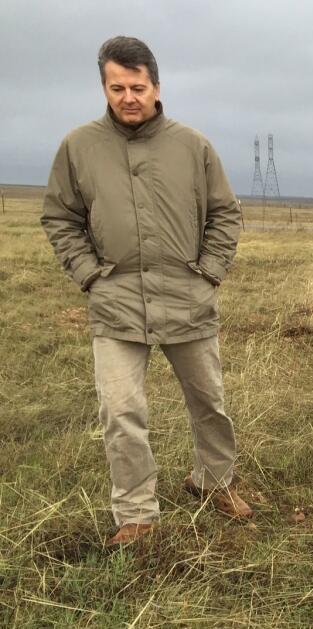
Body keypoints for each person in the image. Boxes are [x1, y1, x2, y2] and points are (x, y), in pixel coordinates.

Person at [41, 36, 252, 546]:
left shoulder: (193, 145)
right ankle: (136, 515)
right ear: (105, 87)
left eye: (138, 87)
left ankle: (214, 481)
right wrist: (90, 273)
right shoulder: (78, 146)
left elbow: (226, 213)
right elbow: (60, 217)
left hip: (188, 297)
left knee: (209, 402)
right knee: (121, 411)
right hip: (115, 301)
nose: (129, 97)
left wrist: (209, 271)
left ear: (157, 86)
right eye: (118, 87)